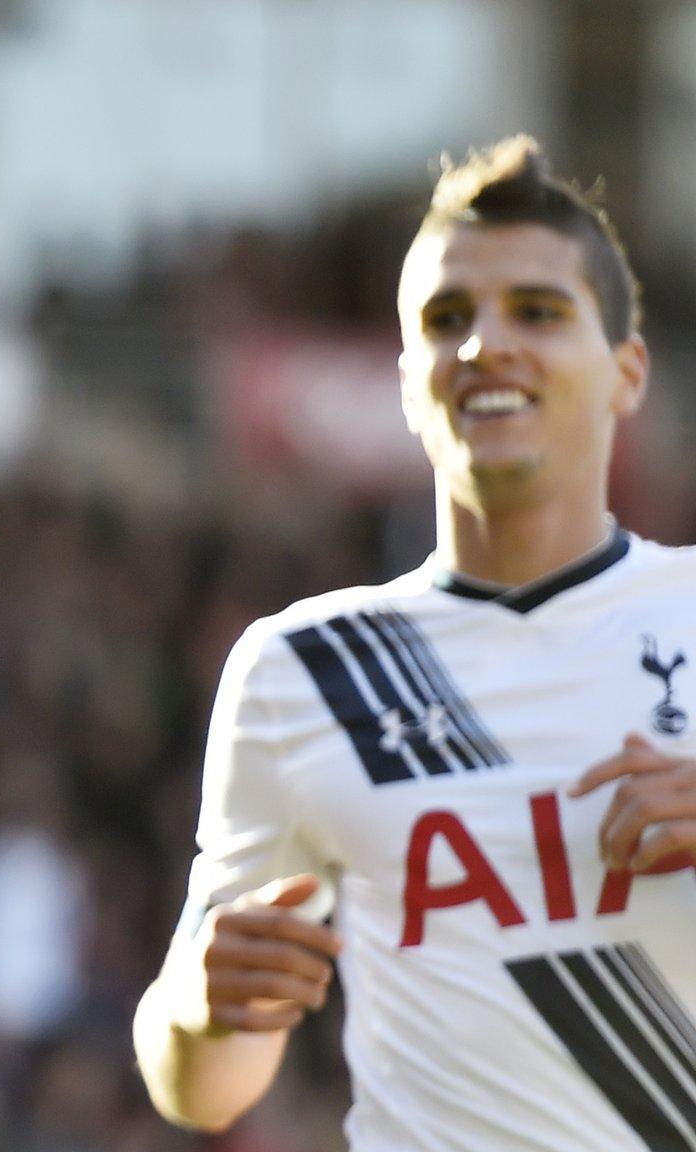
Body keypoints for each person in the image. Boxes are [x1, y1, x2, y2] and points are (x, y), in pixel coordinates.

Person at [134, 136, 696, 1149]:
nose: (484, 345)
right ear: (405, 384)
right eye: (446, 319)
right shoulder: (298, 670)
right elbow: (203, 1085)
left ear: (625, 373)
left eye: (536, 310)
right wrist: (199, 1005)